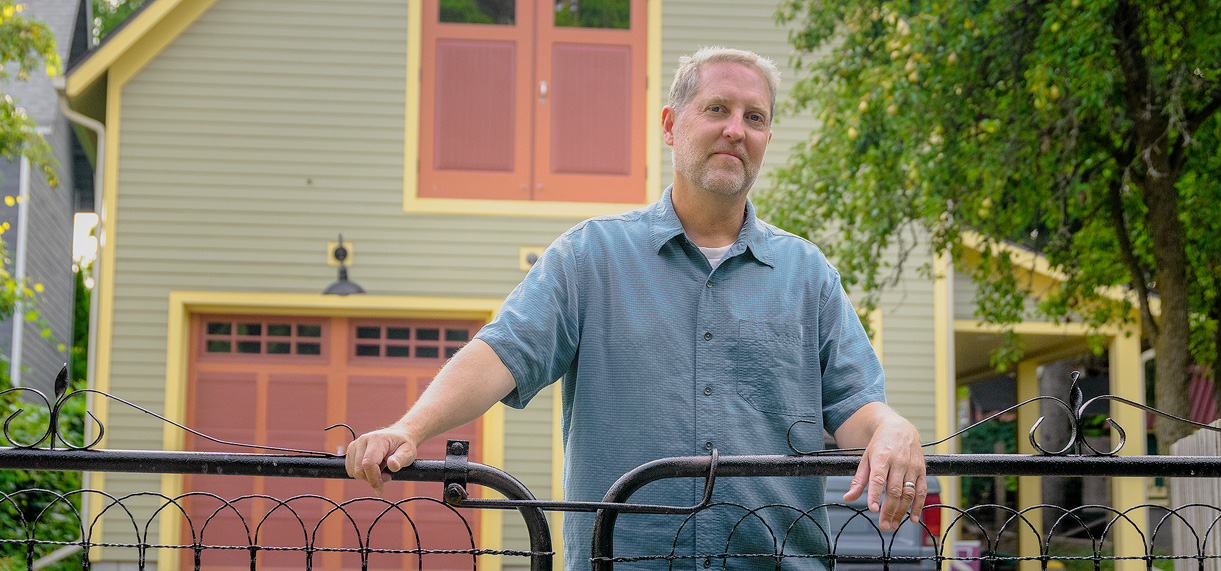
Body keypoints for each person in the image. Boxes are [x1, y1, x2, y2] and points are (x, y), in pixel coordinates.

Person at [346, 46, 926, 570]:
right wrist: (409, 428)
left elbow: (856, 412)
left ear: (768, 137)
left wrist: (894, 428)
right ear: (672, 126)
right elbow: (500, 355)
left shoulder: (808, 275)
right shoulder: (588, 257)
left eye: (754, 118)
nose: (735, 130)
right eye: (716, 109)